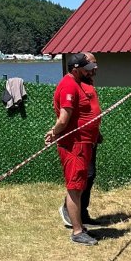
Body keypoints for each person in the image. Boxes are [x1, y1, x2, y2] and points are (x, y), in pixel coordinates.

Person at [44, 52, 103, 246]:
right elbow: (63, 119)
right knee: (74, 187)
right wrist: (53, 133)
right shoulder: (68, 85)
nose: (92, 71)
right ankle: (77, 231)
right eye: (87, 69)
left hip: (86, 142)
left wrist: (95, 133)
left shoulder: (84, 82)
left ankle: (81, 221)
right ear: (76, 70)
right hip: (74, 145)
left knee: (81, 184)